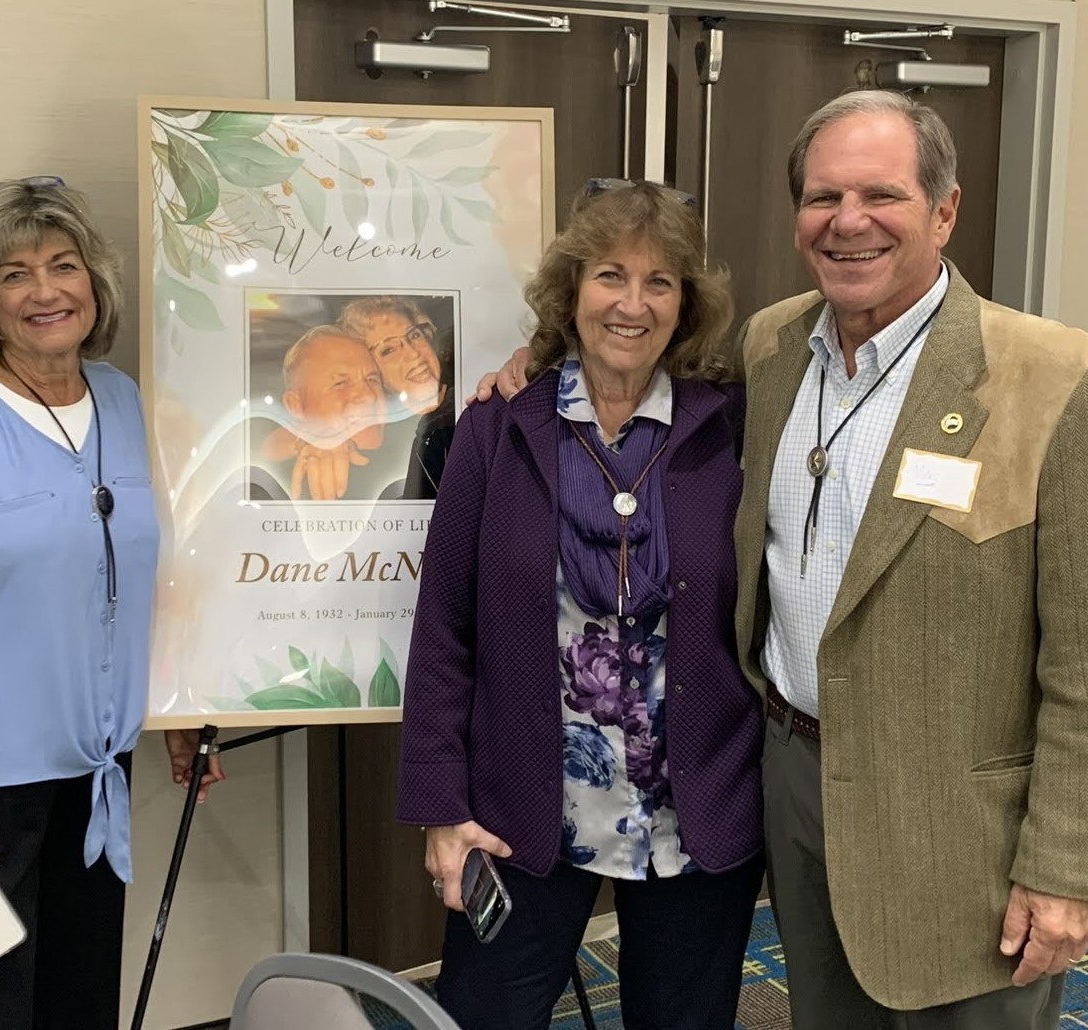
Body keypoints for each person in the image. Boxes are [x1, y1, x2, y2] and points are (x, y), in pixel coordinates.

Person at [728, 89, 1088, 1028]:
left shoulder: (1058, 380)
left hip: (964, 828)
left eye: (882, 194)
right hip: (796, 781)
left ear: (945, 211)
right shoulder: (771, 348)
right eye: (822, 197)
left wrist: (1070, 870)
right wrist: (528, 368)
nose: (848, 222)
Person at [0, 177, 222, 1030]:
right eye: (14, 274)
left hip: (97, 775)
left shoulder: (123, 400)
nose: (45, 291)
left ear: (95, 281)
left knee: (81, 1005)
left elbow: (138, 579)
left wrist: (171, 708)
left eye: (64, 265)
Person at [397, 179, 765, 1030]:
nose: (632, 304)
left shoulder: (731, 427)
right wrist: (442, 808)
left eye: (659, 282)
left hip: (695, 813)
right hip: (522, 810)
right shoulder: (499, 427)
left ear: (685, 305)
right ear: (572, 291)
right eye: (610, 276)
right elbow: (444, 628)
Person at [339, 295, 454, 498]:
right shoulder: (373, 448)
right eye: (388, 350)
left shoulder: (471, 404)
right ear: (371, 371)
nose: (413, 353)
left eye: (414, 335)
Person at [261, 323, 388, 501]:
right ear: (295, 406)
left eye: (372, 379)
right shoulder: (275, 484)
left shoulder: (415, 444)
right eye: (341, 384)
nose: (369, 396)